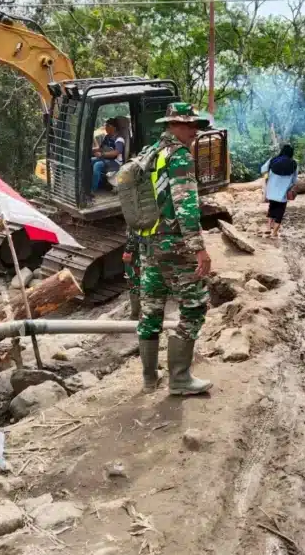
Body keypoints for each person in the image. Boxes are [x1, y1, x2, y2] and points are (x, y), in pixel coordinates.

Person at [137, 102, 213, 396]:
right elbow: (186, 205)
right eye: (189, 124)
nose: (194, 130)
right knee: (194, 307)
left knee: (152, 310)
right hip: (174, 244)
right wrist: (199, 249)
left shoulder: (149, 152)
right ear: (173, 124)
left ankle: (148, 378)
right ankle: (179, 379)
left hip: (149, 243)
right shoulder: (179, 155)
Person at [260, 143, 298, 237]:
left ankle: (268, 228)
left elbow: (263, 169)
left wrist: (267, 179)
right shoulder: (294, 164)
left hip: (271, 191)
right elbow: (294, 180)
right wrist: (289, 186)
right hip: (283, 193)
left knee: (271, 208)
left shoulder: (273, 160)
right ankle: (275, 232)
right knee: (280, 212)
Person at [91, 118, 126, 193]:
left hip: (115, 163)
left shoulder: (119, 139)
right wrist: (92, 150)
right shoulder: (107, 137)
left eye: (107, 126)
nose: (105, 127)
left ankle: (92, 190)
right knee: (90, 161)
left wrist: (102, 154)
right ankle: (96, 183)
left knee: (97, 165)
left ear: (113, 127)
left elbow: (116, 152)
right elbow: (101, 148)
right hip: (107, 159)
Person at [123, 229, 141, 320]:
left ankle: (135, 314)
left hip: (136, 261)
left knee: (134, 286)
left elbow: (133, 238)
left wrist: (127, 251)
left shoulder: (134, 224)